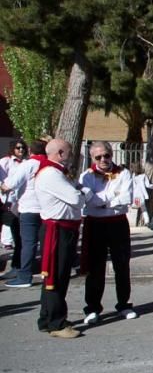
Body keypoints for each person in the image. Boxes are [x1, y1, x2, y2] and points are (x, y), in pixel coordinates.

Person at [35, 139, 89, 338]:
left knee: (58, 275)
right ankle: (56, 322)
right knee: (55, 276)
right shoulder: (51, 173)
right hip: (57, 230)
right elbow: (76, 199)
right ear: (60, 153)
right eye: (69, 151)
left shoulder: (57, 172)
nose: (72, 154)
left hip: (65, 228)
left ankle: (47, 317)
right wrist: (83, 195)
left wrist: (79, 193)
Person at [79, 141, 136, 324]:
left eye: (107, 155)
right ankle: (93, 307)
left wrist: (101, 200)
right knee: (95, 267)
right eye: (98, 157)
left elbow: (126, 198)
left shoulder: (124, 173)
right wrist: (112, 197)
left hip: (118, 223)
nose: (103, 160)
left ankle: (124, 304)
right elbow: (89, 201)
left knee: (122, 265)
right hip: (95, 224)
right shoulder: (86, 177)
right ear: (92, 158)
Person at [2, 140, 46, 287]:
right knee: (46, 243)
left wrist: (3, 187)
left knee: (28, 243)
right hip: (47, 209)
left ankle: (24, 276)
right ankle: (48, 273)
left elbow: (11, 183)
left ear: (30, 151)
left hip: (29, 207)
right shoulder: (50, 164)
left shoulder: (28, 164)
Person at [0, 140, 27, 272]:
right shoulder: (5, 162)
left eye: (23, 148)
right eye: (18, 148)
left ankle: (15, 245)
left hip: (21, 197)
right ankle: (6, 241)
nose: (21, 150)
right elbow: (3, 179)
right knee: (8, 220)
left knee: (16, 223)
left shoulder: (27, 163)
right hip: (7, 195)